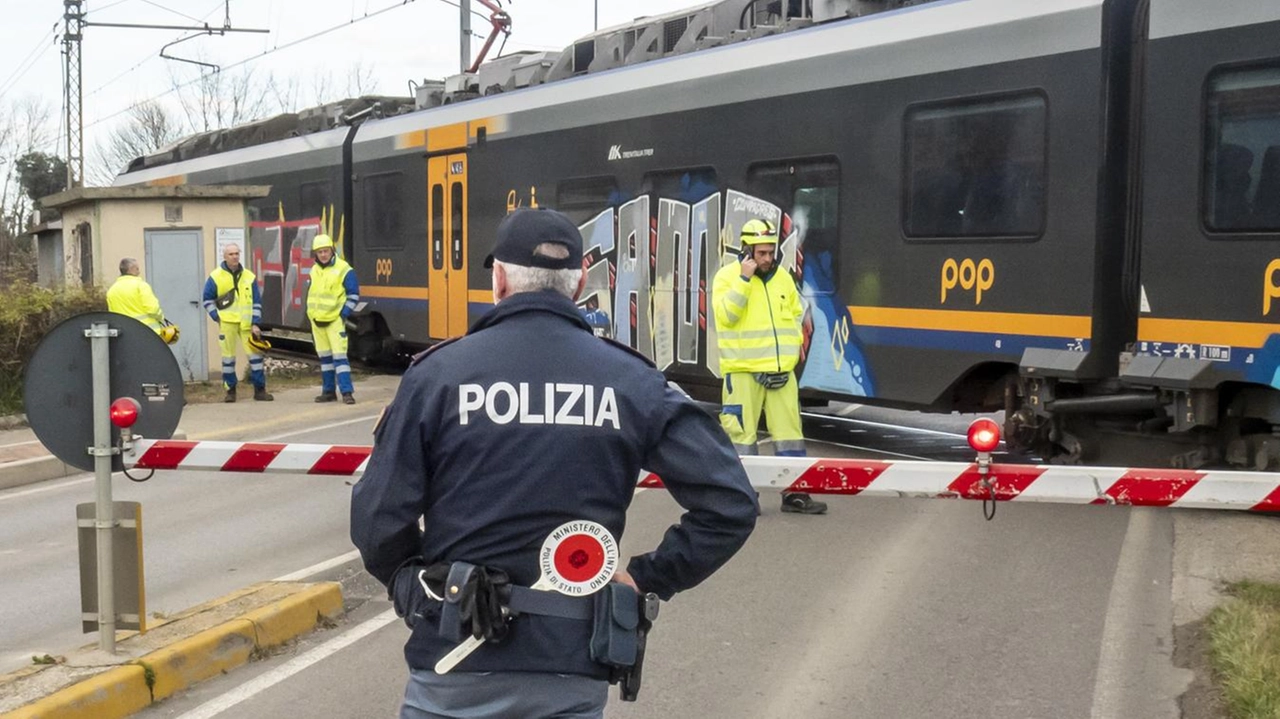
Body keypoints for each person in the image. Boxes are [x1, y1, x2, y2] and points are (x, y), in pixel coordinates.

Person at [351, 208, 758, 719]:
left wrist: (416, 589)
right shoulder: (631, 381)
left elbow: (377, 517)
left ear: (498, 278)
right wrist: (648, 577)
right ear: (580, 282)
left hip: (454, 660)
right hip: (573, 661)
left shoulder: (439, 376)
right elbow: (731, 505)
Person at [712, 218, 827, 514]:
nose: (768, 258)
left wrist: (785, 364)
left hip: (781, 374)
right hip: (743, 374)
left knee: (790, 433)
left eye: (771, 252)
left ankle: (796, 494)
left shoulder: (783, 279)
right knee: (741, 438)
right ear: (747, 250)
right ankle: (742, 498)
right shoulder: (727, 277)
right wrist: (744, 280)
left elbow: (795, 318)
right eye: (761, 253)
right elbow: (727, 316)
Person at [202, 243, 272, 402]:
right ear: (225, 257)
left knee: (255, 357)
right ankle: (230, 391)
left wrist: (256, 323)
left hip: (247, 324)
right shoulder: (216, 276)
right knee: (228, 359)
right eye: (231, 254)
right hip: (227, 323)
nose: (235, 257)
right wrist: (216, 316)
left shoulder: (249, 276)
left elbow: (256, 302)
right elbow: (207, 299)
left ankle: (260, 390)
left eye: (236, 254)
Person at [306, 234, 360, 404]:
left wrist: (343, 314)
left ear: (332, 250)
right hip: (317, 320)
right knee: (325, 359)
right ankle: (328, 391)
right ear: (315, 253)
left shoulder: (344, 269)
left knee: (340, 358)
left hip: (334, 320)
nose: (323, 254)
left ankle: (347, 392)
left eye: (326, 251)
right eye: (320, 252)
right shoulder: (314, 270)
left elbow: (354, 294)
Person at [106, 257, 179, 344]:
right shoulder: (141, 286)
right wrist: (161, 317)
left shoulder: (112, 290)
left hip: (125, 336)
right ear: (131, 270)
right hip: (148, 333)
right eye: (137, 268)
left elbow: (112, 314)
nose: (139, 271)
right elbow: (153, 309)